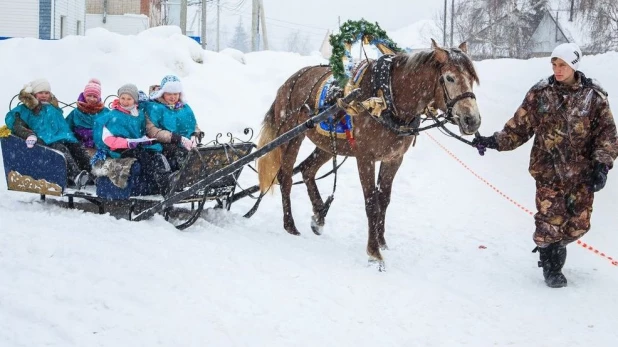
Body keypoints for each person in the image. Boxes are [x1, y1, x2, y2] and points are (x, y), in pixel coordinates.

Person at [472, 43, 618, 288]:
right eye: (554, 64)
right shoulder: (540, 93)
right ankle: (551, 266)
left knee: (578, 226)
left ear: (574, 65)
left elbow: (607, 135)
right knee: (549, 225)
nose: (557, 69)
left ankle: (554, 248)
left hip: (581, 174)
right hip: (548, 172)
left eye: (563, 65)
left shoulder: (594, 97)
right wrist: (494, 141)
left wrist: (602, 167)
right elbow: (519, 127)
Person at [5, 78, 92, 188]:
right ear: (33, 93)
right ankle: (75, 175)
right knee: (61, 149)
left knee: (76, 147)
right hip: (42, 141)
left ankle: (92, 173)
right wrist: (29, 134)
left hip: (59, 137)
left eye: (46, 93)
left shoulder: (52, 109)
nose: (44, 95)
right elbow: (17, 126)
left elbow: (61, 126)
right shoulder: (26, 109)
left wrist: (67, 136)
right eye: (40, 93)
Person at [93, 83, 174, 194]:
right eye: (123, 98)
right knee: (143, 157)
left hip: (137, 146)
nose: (125, 101)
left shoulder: (138, 115)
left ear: (134, 100)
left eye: (129, 99)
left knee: (156, 155)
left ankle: (165, 181)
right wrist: (127, 143)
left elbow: (141, 133)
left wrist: (145, 140)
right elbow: (108, 139)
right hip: (119, 150)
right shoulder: (112, 116)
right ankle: (163, 185)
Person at [145, 75, 203, 171]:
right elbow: (152, 130)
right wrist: (175, 138)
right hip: (165, 144)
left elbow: (193, 124)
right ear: (163, 93)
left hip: (188, 144)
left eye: (176, 94)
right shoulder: (154, 107)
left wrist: (195, 135)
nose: (173, 97)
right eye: (169, 94)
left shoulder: (184, 107)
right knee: (180, 158)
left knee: (200, 156)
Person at [65, 78, 109, 150]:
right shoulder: (75, 112)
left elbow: (113, 129)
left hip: (99, 144)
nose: (91, 99)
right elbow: (67, 129)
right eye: (89, 95)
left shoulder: (105, 112)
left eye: (95, 96)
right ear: (84, 95)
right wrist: (74, 142)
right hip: (79, 145)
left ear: (98, 98)